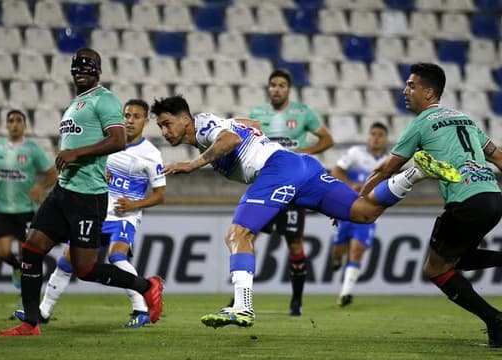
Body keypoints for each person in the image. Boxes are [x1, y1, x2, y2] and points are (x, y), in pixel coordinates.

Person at [151, 95, 459, 328]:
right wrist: (244, 132)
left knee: (238, 234)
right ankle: (415, 172)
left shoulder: (204, 125)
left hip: (277, 169)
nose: (164, 131)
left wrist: (192, 164)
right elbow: (251, 126)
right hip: (301, 165)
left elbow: (231, 139)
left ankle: (242, 307)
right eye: (160, 126)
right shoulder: (217, 124)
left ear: (185, 119)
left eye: (167, 123)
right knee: (364, 212)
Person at [0, 48, 164, 337]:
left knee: (85, 269)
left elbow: (117, 140)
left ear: (98, 71)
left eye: (88, 68)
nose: (81, 73)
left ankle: (147, 286)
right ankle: (31, 322)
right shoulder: (75, 104)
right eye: (77, 69)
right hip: (64, 192)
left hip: (88, 196)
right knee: (31, 248)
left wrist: (77, 153)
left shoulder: (105, 99)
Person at [360, 63, 502, 347]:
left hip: (464, 201)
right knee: (457, 258)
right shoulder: (466, 120)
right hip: (493, 197)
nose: (405, 90)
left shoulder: (421, 123)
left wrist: (358, 200)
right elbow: (498, 158)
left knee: (435, 270)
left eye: (411, 85)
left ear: (429, 92)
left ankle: (495, 320)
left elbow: (387, 169)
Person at [247, 68, 333, 316]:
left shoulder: (302, 113)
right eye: (273, 84)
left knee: (294, 244)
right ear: (268, 88)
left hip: (292, 189)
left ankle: (296, 303)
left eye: (281, 85)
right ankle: (241, 296)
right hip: (264, 186)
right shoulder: (257, 114)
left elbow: (327, 139)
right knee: (247, 237)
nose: (276, 89)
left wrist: (304, 154)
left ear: (289, 89)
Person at [0, 110, 57, 290]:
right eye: (11, 121)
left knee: (27, 255)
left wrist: (41, 187)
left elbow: (52, 173)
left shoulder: (33, 149)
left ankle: (25, 299)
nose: (15, 124)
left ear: (25, 125)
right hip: (3, 209)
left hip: (26, 209)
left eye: (18, 121)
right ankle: (16, 268)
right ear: (6, 125)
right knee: (2, 252)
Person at [330, 122, 389, 307]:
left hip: (368, 213)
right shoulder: (356, 153)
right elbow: (336, 170)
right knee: (339, 251)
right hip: (347, 209)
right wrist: (350, 186)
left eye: (380, 134)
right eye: (373, 134)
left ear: (385, 138)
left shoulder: (389, 161)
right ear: (368, 137)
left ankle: (345, 293)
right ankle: (337, 258)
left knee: (356, 251)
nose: (376, 137)